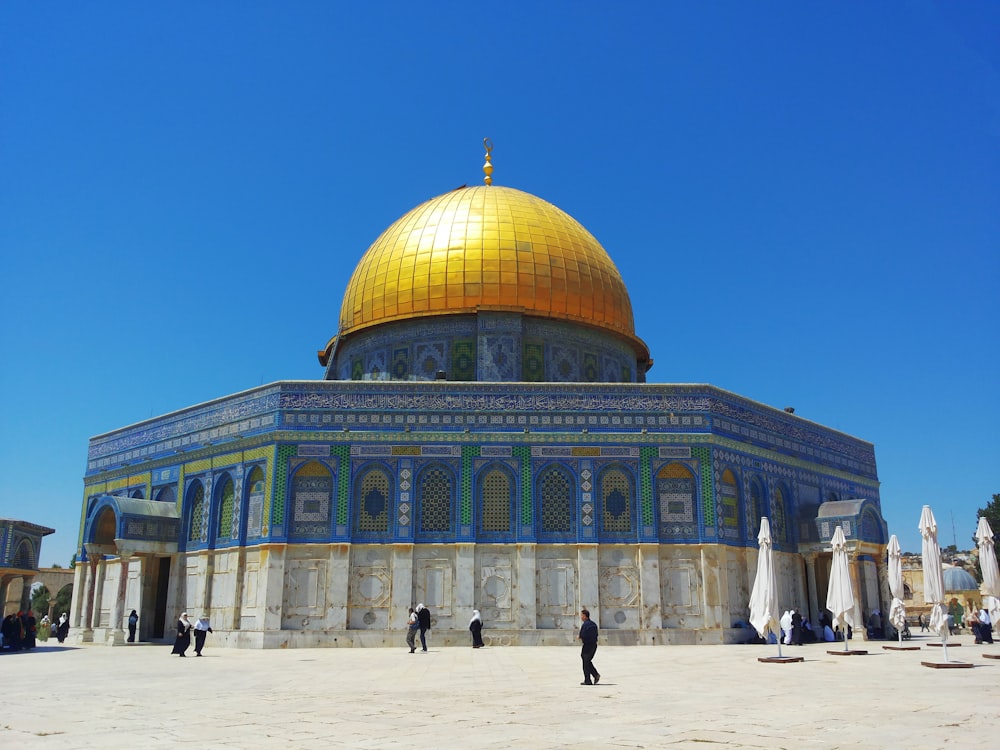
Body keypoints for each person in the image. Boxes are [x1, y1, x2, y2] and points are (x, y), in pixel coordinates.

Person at [578, 608, 600, 685]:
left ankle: (588, 680)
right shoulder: (594, 624)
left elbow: (582, 635)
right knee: (587, 661)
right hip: (594, 645)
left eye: (581, 615)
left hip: (587, 646)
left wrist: (579, 637)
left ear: (584, 616)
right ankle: (595, 675)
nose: (581, 617)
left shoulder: (585, 625)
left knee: (585, 662)